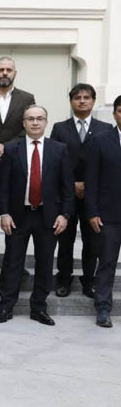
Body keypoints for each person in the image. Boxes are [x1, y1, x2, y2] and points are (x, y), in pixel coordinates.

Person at [0, 105, 73, 326]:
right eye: (30, 119)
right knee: (12, 262)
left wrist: (65, 215)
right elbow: (3, 186)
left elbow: (67, 187)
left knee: (45, 263)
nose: (35, 122)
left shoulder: (59, 149)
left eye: (39, 118)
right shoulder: (12, 149)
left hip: (48, 216)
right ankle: (5, 307)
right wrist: (4, 213)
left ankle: (39, 308)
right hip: (18, 215)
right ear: (24, 123)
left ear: (46, 122)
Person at [51, 83, 113, 298]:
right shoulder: (60, 128)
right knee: (65, 239)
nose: (82, 101)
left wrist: (88, 184)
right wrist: (73, 184)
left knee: (93, 240)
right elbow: (55, 161)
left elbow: (107, 162)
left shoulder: (105, 128)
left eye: (87, 97)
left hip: (94, 195)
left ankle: (89, 280)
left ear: (94, 101)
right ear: (71, 102)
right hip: (67, 193)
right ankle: (63, 278)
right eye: (77, 98)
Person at [85, 95, 121, 328]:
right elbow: (91, 180)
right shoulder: (100, 141)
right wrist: (92, 212)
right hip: (109, 215)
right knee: (106, 263)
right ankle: (103, 308)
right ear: (115, 114)